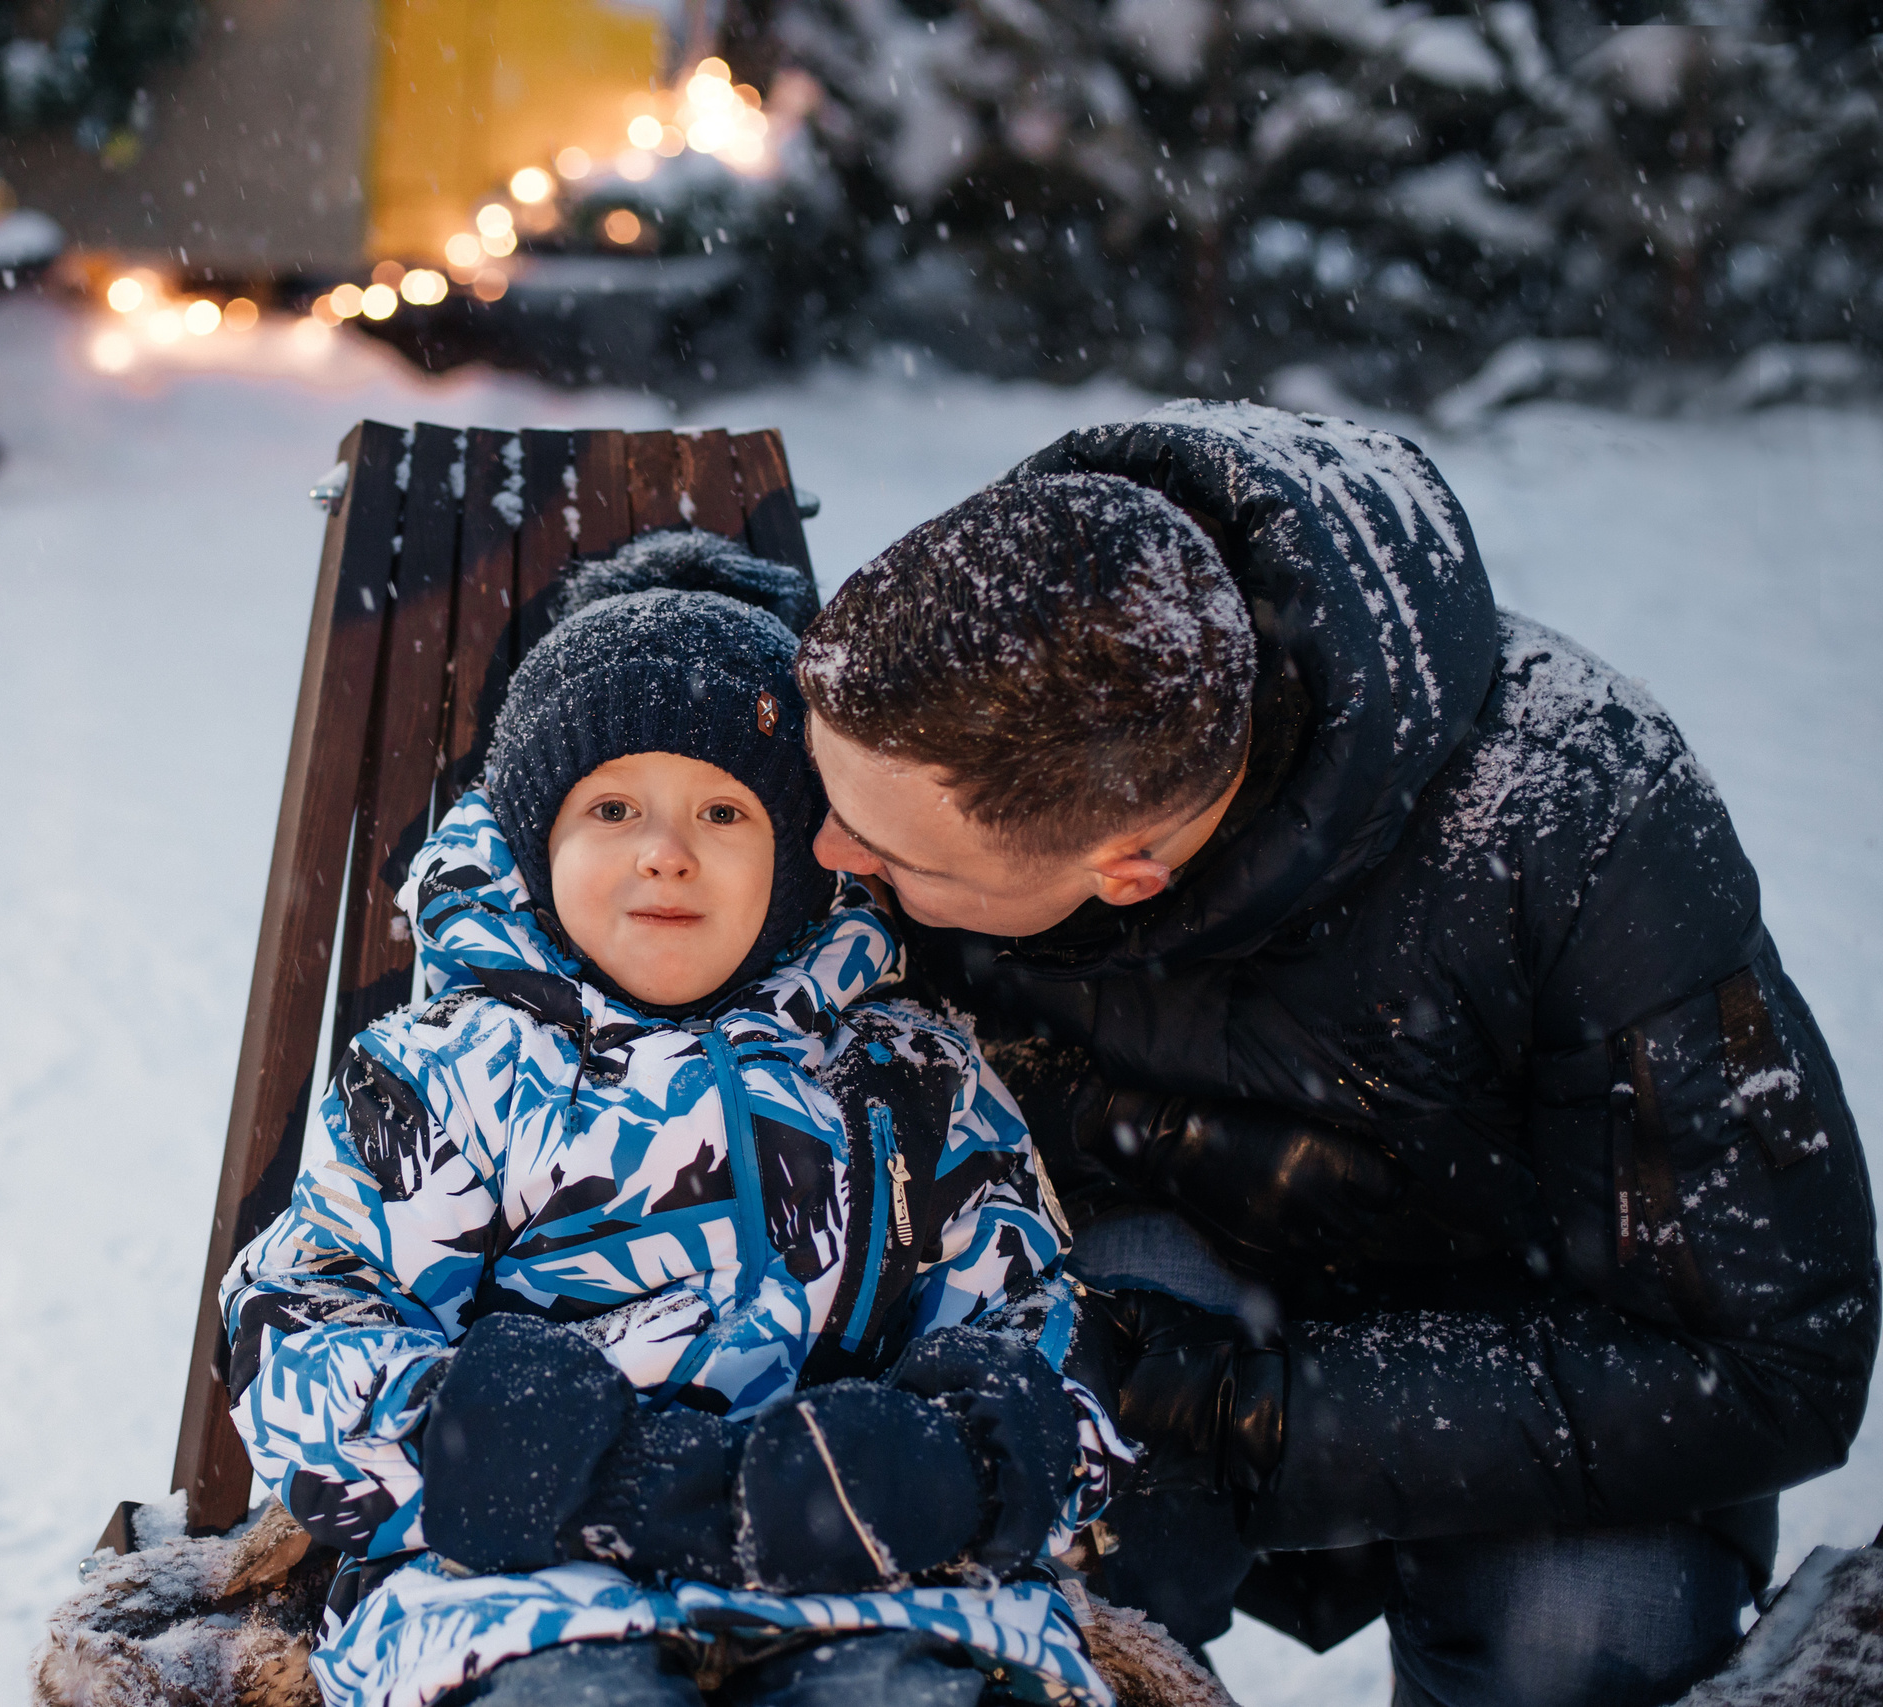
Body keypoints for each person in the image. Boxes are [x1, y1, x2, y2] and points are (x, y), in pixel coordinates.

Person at [793, 400, 1880, 1707]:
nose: (829, 853)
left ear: (1126, 871)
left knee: (1577, 1636)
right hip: (1153, 1281)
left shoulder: (1579, 819)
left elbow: (1770, 1361)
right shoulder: (955, 694)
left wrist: (1243, 1410)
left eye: (889, 854)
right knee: (1015, 1499)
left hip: (1521, 1353)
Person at [220, 532, 1133, 1707]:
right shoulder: (449, 1074)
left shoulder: (911, 1076)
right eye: (611, 807)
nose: (663, 854)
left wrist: (959, 1466)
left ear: (800, 862)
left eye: (722, 812)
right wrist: (501, 1444)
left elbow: (1038, 1324)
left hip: (878, 1585)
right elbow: (304, 1315)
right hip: (522, 1593)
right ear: (535, 842)